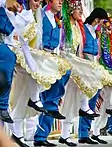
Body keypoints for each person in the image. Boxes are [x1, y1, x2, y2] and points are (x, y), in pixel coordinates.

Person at [59, 1, 112, 146]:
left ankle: (85, 133)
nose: (105, 24)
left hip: (89, 64)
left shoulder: (96, 32)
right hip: (79, 64)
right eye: (104, 21)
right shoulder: (82, 28)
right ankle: (68, 134)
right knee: (72, 99)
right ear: (98, 18)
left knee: (89, 98)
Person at [33, 0, 72, 146]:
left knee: (65, 72)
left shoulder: (57, 19)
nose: (61, 2)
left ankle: (41, 137)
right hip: (39, 56)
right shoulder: (40, 14)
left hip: (52, 57)